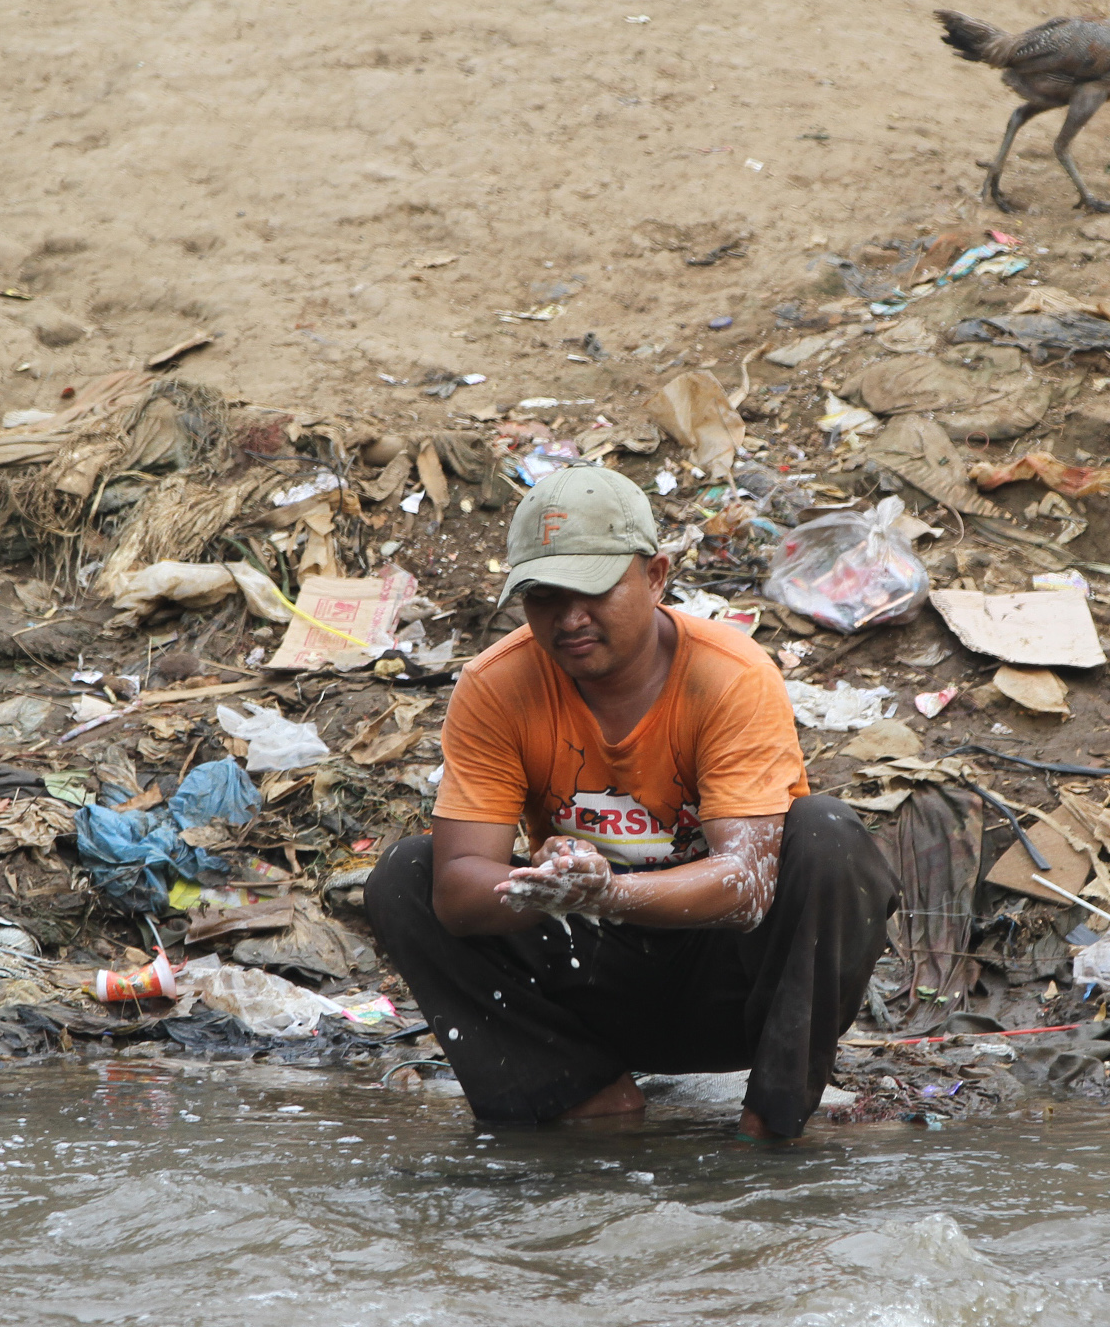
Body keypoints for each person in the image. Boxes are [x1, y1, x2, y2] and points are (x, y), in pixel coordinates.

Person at [365, 465, 899, 1139]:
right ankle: (583, 1100)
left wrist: (607, 892)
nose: (568, 619)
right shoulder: (497, 685)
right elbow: (456, 891)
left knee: (828, 835)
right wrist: (544, 884)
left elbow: (747, 882)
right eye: (543, 596)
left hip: (725, 987)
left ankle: (770, 1123)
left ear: (655, 576)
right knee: (404, 876)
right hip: (589, 985)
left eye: (592, 590)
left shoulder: (727, 675)